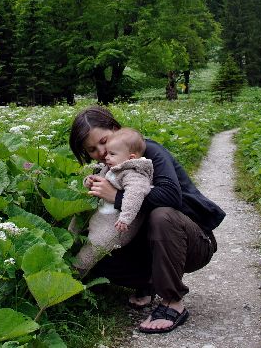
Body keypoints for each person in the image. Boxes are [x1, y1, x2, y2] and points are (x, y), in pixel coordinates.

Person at [69, 105, 225, 335]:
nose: (101, 151)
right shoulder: (109, 165)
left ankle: (173, 302)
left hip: (193, 242)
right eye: (92, 149)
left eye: (103, 141)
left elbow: (171, 197)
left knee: (161, 214)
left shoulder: (149, 151)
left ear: (115, 128)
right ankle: (147, 284)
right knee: (100, 254)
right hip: (152, 244)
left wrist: (116, 196)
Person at [74, 127, 153, 275]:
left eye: (112, 154)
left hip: (116, 226)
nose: (106, 156)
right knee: (76, 224)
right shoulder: (113, 167)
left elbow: (135, 196)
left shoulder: (134, 174)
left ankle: (75, 273)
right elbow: (100, 180)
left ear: (130, 158)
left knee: (95, 246)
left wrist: (125, 218)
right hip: (102, 216)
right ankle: (67, 249)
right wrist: (89, 181)